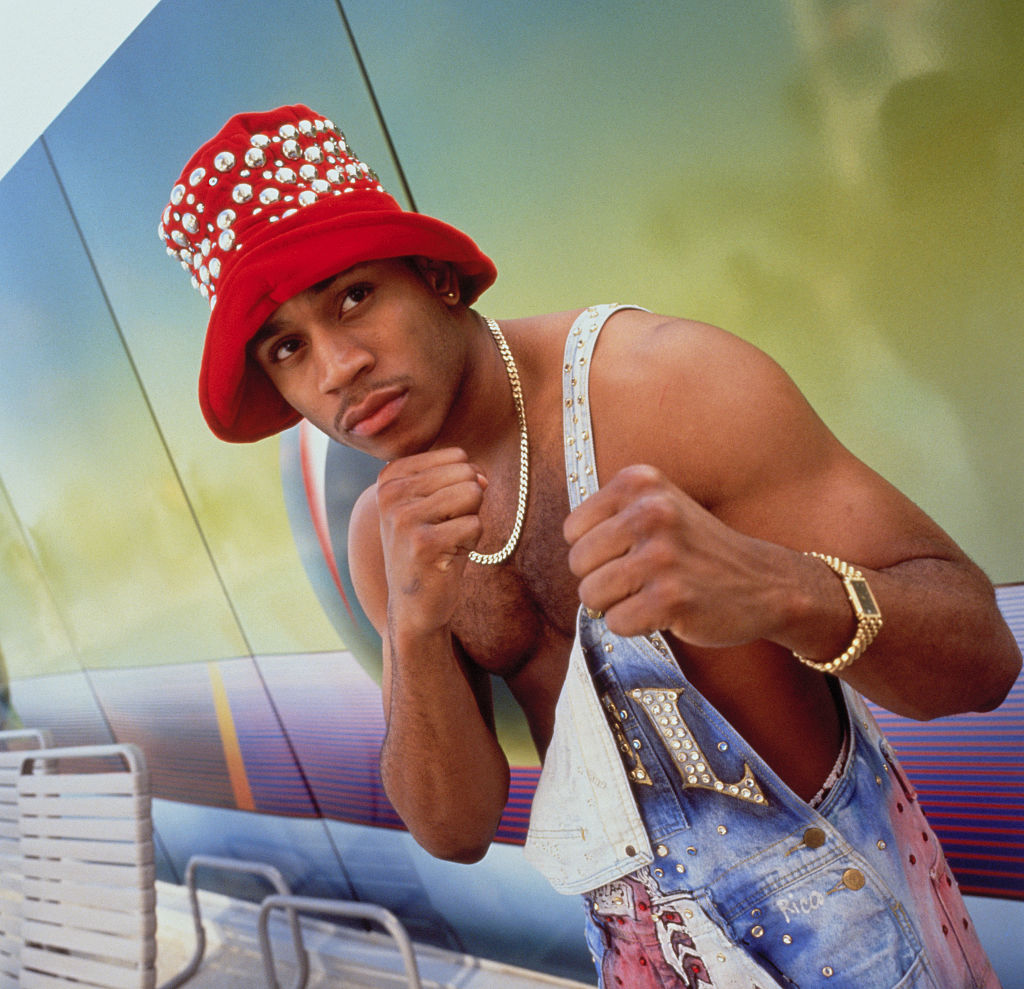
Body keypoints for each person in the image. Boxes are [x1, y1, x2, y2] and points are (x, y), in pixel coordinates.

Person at [160, 104, 1020, 988]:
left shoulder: (659, 386)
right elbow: (453, 830)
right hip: (638, 959)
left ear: (436, 277)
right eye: (287, 347)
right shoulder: (386, 535)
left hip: (862, 941)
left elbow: (983, 659)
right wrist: (415, 630)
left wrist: (777, 588)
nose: (337, 366)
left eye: (354, 295)